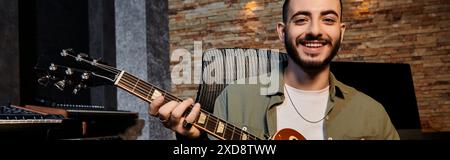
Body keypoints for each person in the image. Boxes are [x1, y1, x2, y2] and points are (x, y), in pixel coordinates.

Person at [148, 0, 400, 140]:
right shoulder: (234, 98)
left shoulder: (373, 115)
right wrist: (193, 141)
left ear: (341, 31)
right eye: (301, 19)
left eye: (328, 19)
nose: (315, 30)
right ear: (282, 31)